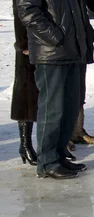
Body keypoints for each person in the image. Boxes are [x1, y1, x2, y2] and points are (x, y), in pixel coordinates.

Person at [18, 0, 90, 179]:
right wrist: (55, 36)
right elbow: (27, 10)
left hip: (73, 52)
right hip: (51, 52)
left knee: (69, 108)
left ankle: (59, 156)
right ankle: (47, 162)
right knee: (52, 110)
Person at [11, 0, 38, 166]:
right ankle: (25, 144)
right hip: (29, 48)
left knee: (40, 96)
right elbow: (20, 14)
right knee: (27, 95)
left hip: (43, 42)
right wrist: (24, 44)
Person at [71, 3, 94, 145]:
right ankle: (62, 137)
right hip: (62, 44)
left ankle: (78, 131)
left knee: (78, 91)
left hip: (80, 41)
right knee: (61, 96)